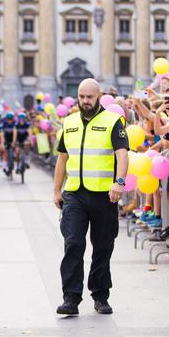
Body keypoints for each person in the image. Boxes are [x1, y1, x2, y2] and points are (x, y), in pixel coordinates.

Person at [53, 78, 129, 316]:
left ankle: (100, 295)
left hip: (104, 195)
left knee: (103, 246)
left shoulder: (113, 121)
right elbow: (62, 158)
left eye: (90, 97)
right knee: (73, 243)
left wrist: (119, 183)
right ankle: (71, 297)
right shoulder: (70, 121)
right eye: (82, 96)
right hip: (75, 193)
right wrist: (57, 189)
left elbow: (123, 154)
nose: (85, 101)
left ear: (99, 96)